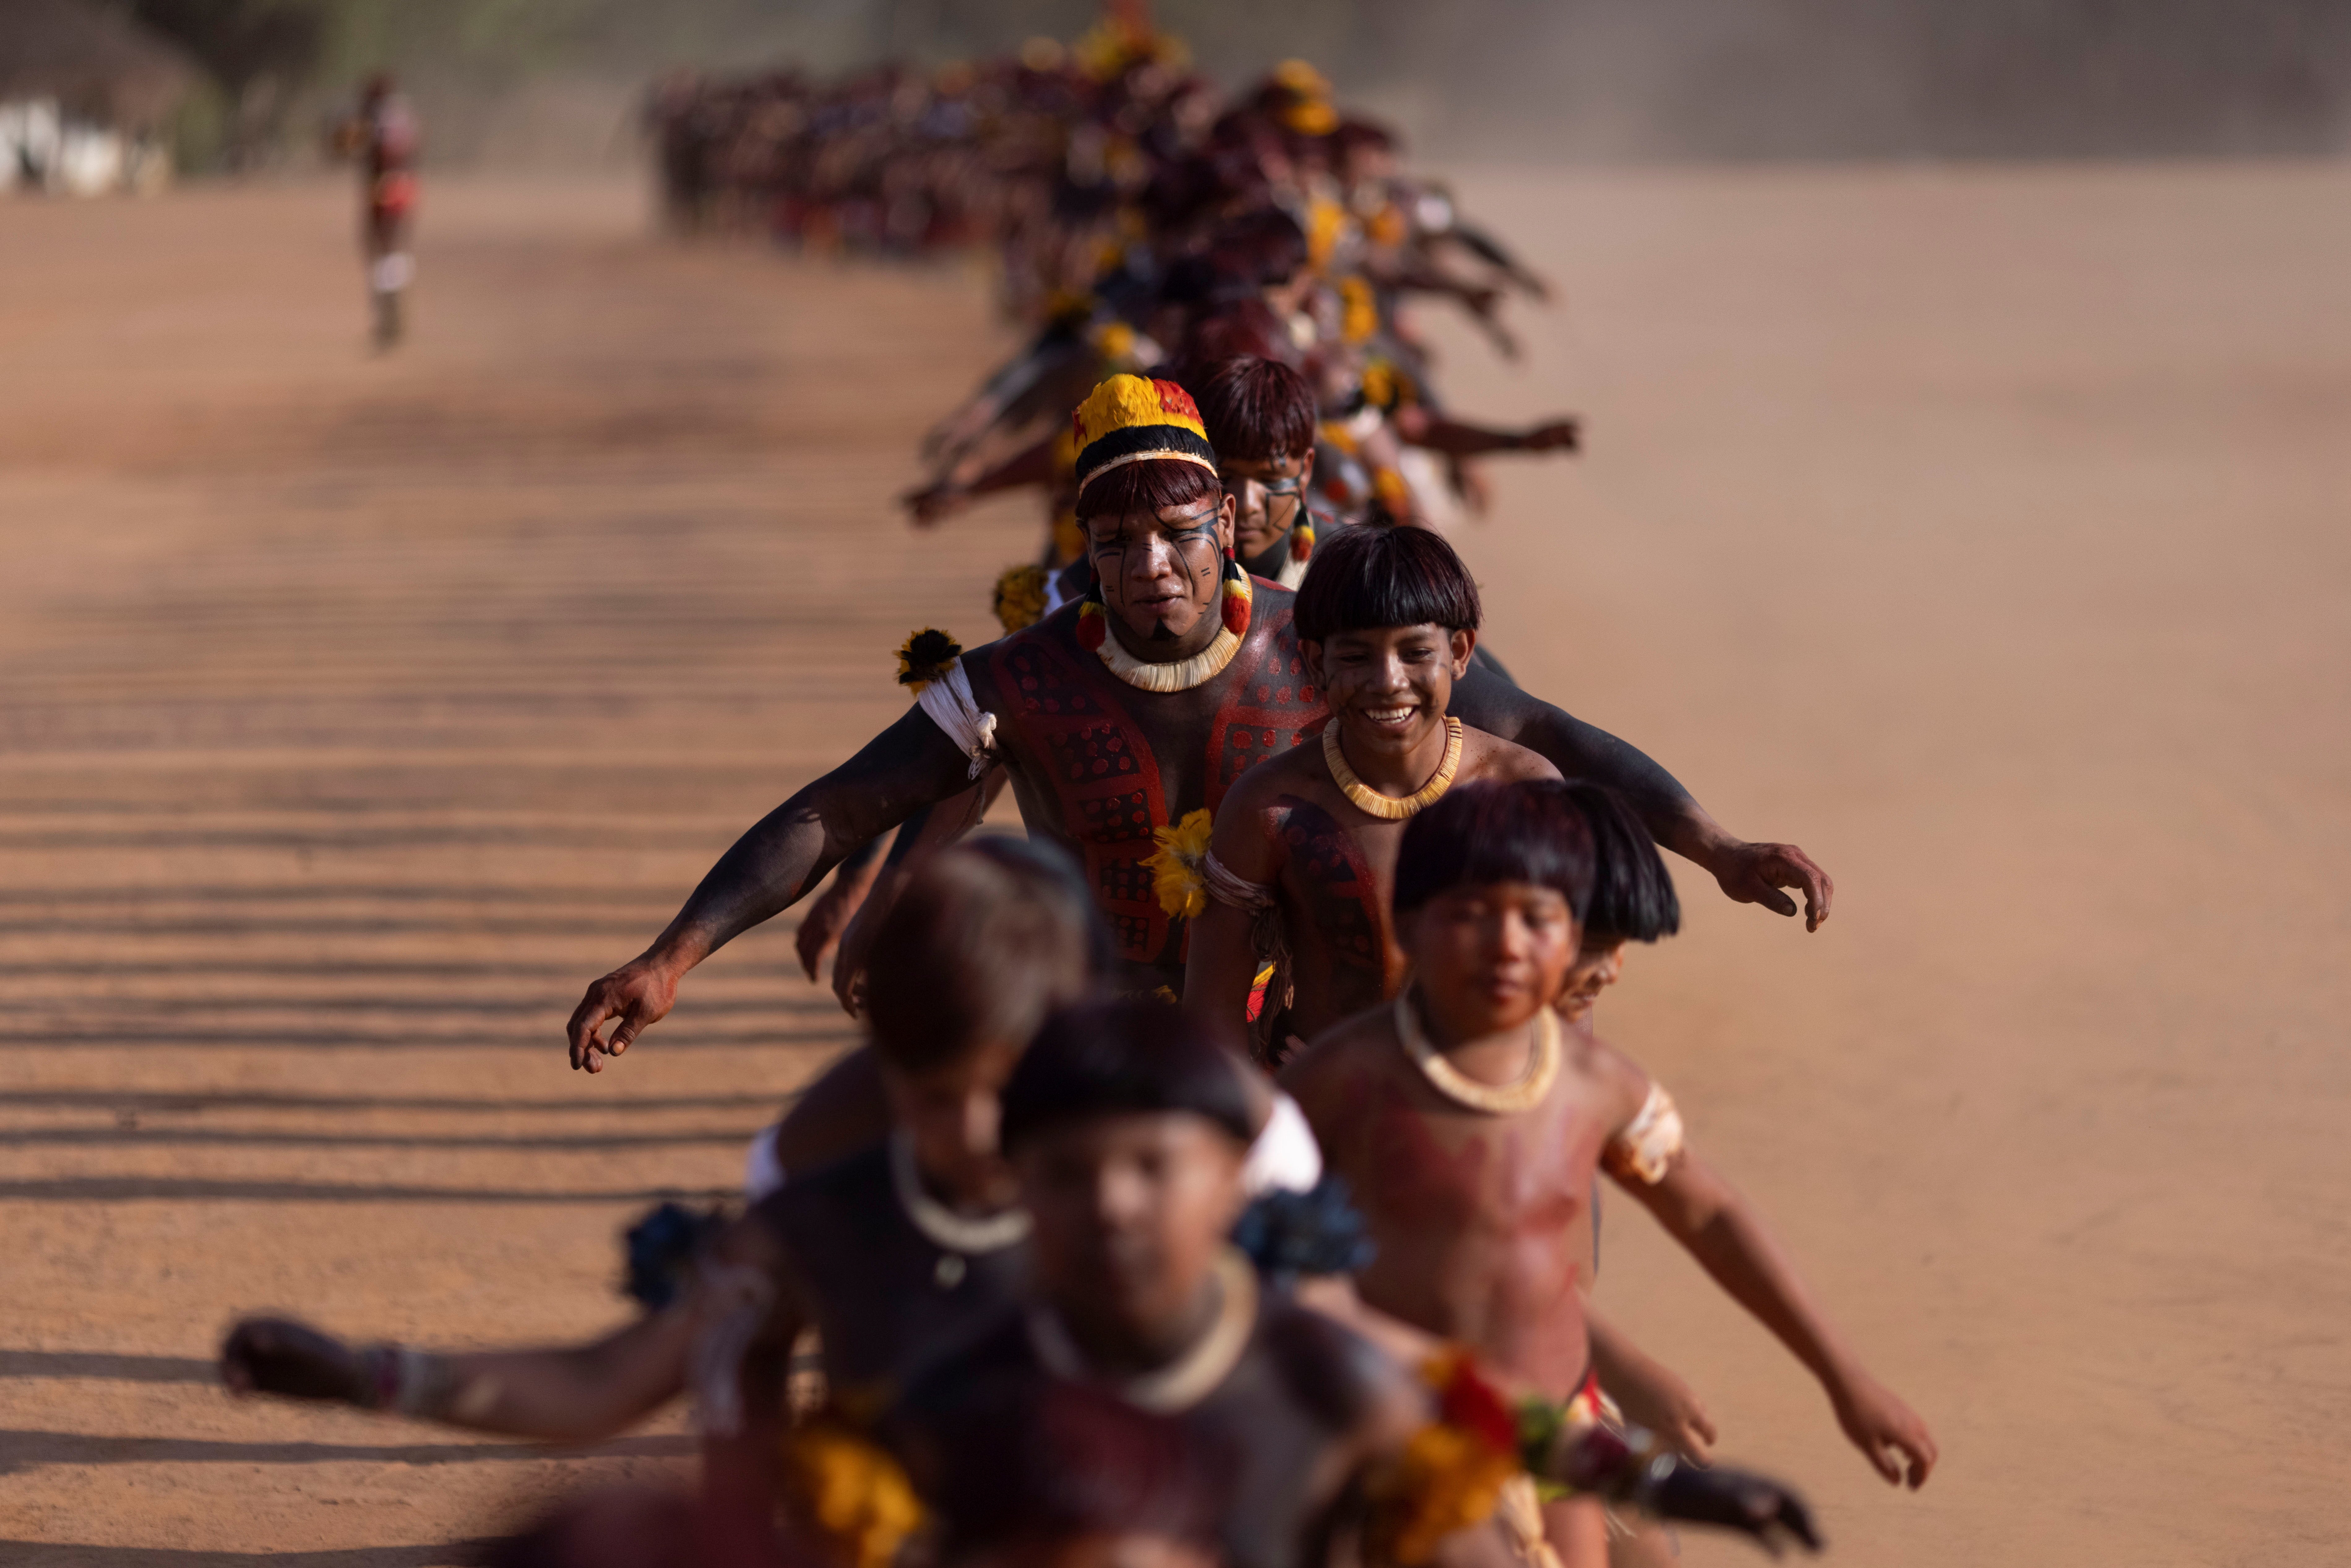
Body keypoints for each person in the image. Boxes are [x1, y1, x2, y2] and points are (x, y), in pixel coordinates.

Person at [568, 374, 1829, 1074]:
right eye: (1117, 542)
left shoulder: (1326, 639)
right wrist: (673, 956)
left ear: (1228, 523)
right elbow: (838, 807)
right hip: (1084, 1028)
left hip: (1309, 1036)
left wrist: (1713, 847)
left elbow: (1543, 731)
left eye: (1178, 533)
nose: (1151, 565)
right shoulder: (1013, 678)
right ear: (1086, 553)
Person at [222, 841, 1098, 1527]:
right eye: (936, 1097)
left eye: (1008, 1088)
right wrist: (368, 1376)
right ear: (882, 1075)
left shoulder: (1138, 1202)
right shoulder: (823, 1218)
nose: (977, 1128)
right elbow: (603, 1381)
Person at [889, 1000, 1820, 1568]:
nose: (1112, 1206)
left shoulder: (1318, 1368)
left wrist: (1659, 1484)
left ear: (1228, 1180)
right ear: (1015, 1188)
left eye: (1149, 1167)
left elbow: (1493, 1414)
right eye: (1066, 1174)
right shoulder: (959, 1392)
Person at [1282, 780, 1935, 1568]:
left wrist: (1845, 1380)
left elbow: (1710, 1216)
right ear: (1411, 926)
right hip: (1409, 1441)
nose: (1506, 945)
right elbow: (1259, 1262)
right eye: (1470, 914)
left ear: (1571, 936)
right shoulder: (1340, 1084)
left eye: (1537, 918)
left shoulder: (1595, 1085)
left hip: (1563, 1429)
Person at [1184, 523, 1552, 1054]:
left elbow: (1565, 1000)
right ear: (1315, 662)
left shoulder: (1526, 790)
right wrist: (1284, 1107)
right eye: (1355, 657)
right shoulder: (1268, 808)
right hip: (1320, 1115)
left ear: (1460, 650)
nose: (1387, 680)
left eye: (1414, 653)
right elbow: (1213, 1012)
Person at [332, 74, 420, 349]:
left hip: (383, 186)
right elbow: (415, 149)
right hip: (405, 185)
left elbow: (359, 151)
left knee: (380, 247)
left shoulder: (376, 118)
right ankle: (392, 307)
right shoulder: (402, 115)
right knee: (392, 248)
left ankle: (388, 313)